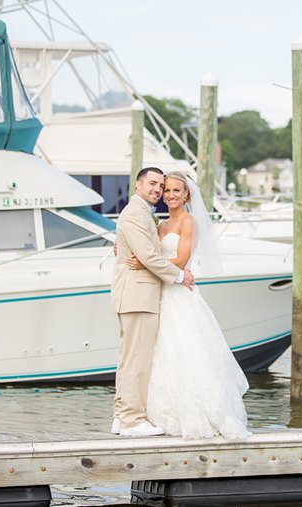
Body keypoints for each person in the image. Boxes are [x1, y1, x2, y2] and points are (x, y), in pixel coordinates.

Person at [126, 171, 251, 439]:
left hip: (180, 295)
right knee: (162, 355)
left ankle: (200, 414)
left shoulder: (188, 221)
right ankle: (158, 415)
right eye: (166, 190)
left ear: (187, 195)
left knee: (189, 352)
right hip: (160, 294)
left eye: (175, 191)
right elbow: (144, 248)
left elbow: (181, 261)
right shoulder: (159, 225)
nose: (169, 195)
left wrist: (146, 264)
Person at [110, 167, 194, 438]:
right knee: (137, 360)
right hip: (138, 295)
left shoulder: (143, 214)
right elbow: (147, 254)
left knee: (129, 359)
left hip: (138, 294)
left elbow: (143, 251)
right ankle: (132, 421)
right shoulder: (135, 213)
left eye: (162, 185)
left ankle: (121, 417)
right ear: (139, 184)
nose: (158, 190)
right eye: (154, 184)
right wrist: (180, 275)